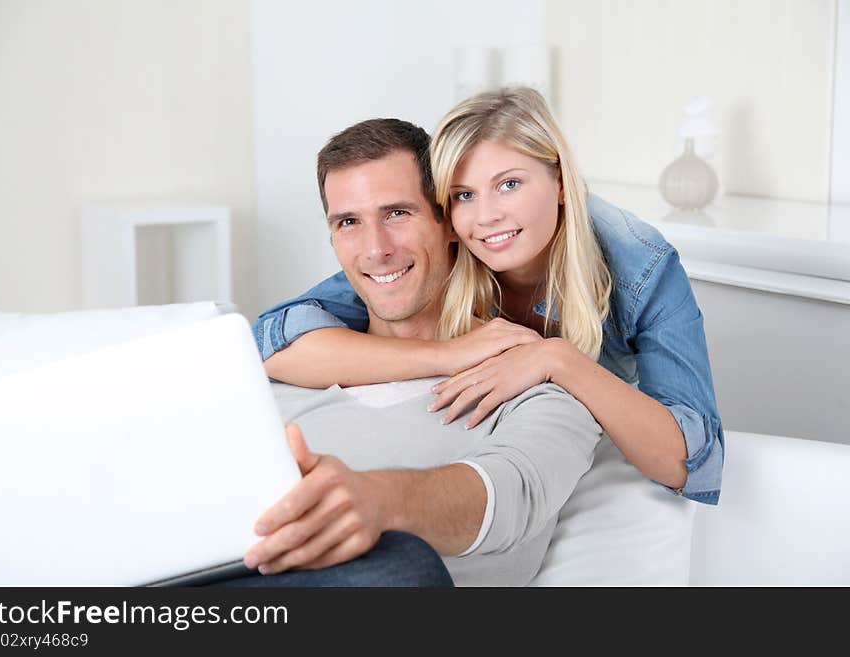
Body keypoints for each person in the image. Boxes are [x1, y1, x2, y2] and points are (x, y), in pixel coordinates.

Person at [254, 87, 723, 505]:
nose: (486, 217)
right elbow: (273, 341)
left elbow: (690, 462)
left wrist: (555, 358)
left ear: (561, 183)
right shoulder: (438, 246)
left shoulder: (638, 266)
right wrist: (448, 353)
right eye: (463, 195)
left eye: (509, 185)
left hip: (595, 437)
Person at [226, 118, 602, 587]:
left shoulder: (533, 375)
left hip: (377, 584)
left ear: (448, 222)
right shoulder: (289, 366)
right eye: (349, 223)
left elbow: (514, 495)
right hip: (221, 572)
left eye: (397, 214)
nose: (376, 249)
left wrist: (379, 503)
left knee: (401, 562)